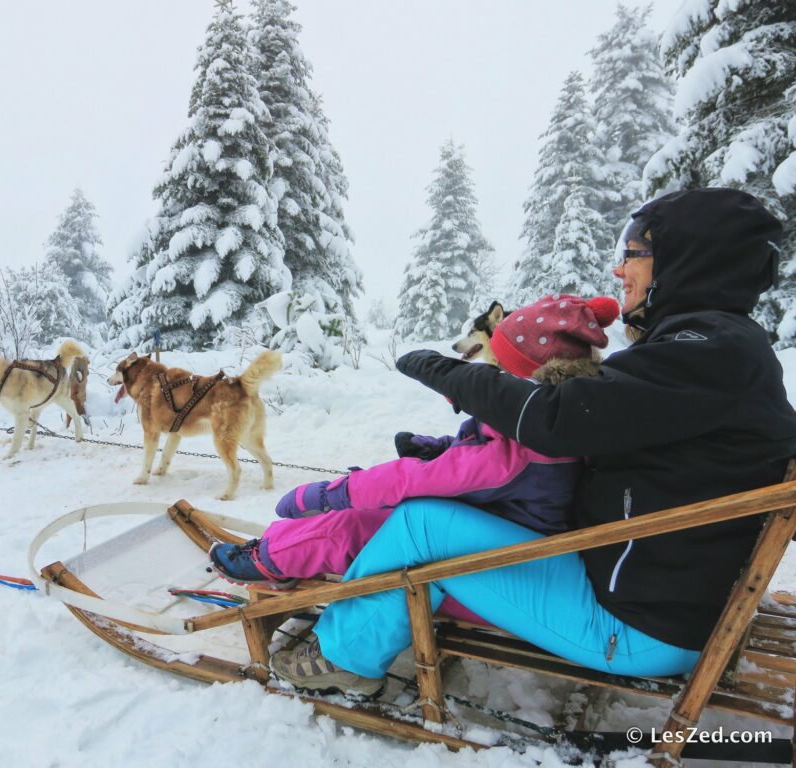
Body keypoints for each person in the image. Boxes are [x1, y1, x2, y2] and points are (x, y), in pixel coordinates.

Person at [269, 187, 796, 698]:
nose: (620, 269)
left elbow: (555, 417)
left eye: (636, 252)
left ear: (689, 258)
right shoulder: (716, 348)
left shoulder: (707, 350)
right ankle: (364, 630)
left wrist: (448, 373)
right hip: (655, 598)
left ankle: (342, 659)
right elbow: (597, 423)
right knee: (443, 526)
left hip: (635, 626)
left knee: (419, 526)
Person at [208, 295, 620, 630]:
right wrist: (439, 446)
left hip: (494, 579)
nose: (487, 379)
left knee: (358, 525)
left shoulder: (524, 443)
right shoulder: (547, 427)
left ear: (524, 376)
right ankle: (283, 547)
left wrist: (329, 493)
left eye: (496, 368)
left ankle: (270, 560)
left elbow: (422, 478)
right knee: (384, 509)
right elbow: (472, 463)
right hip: (510, 552)